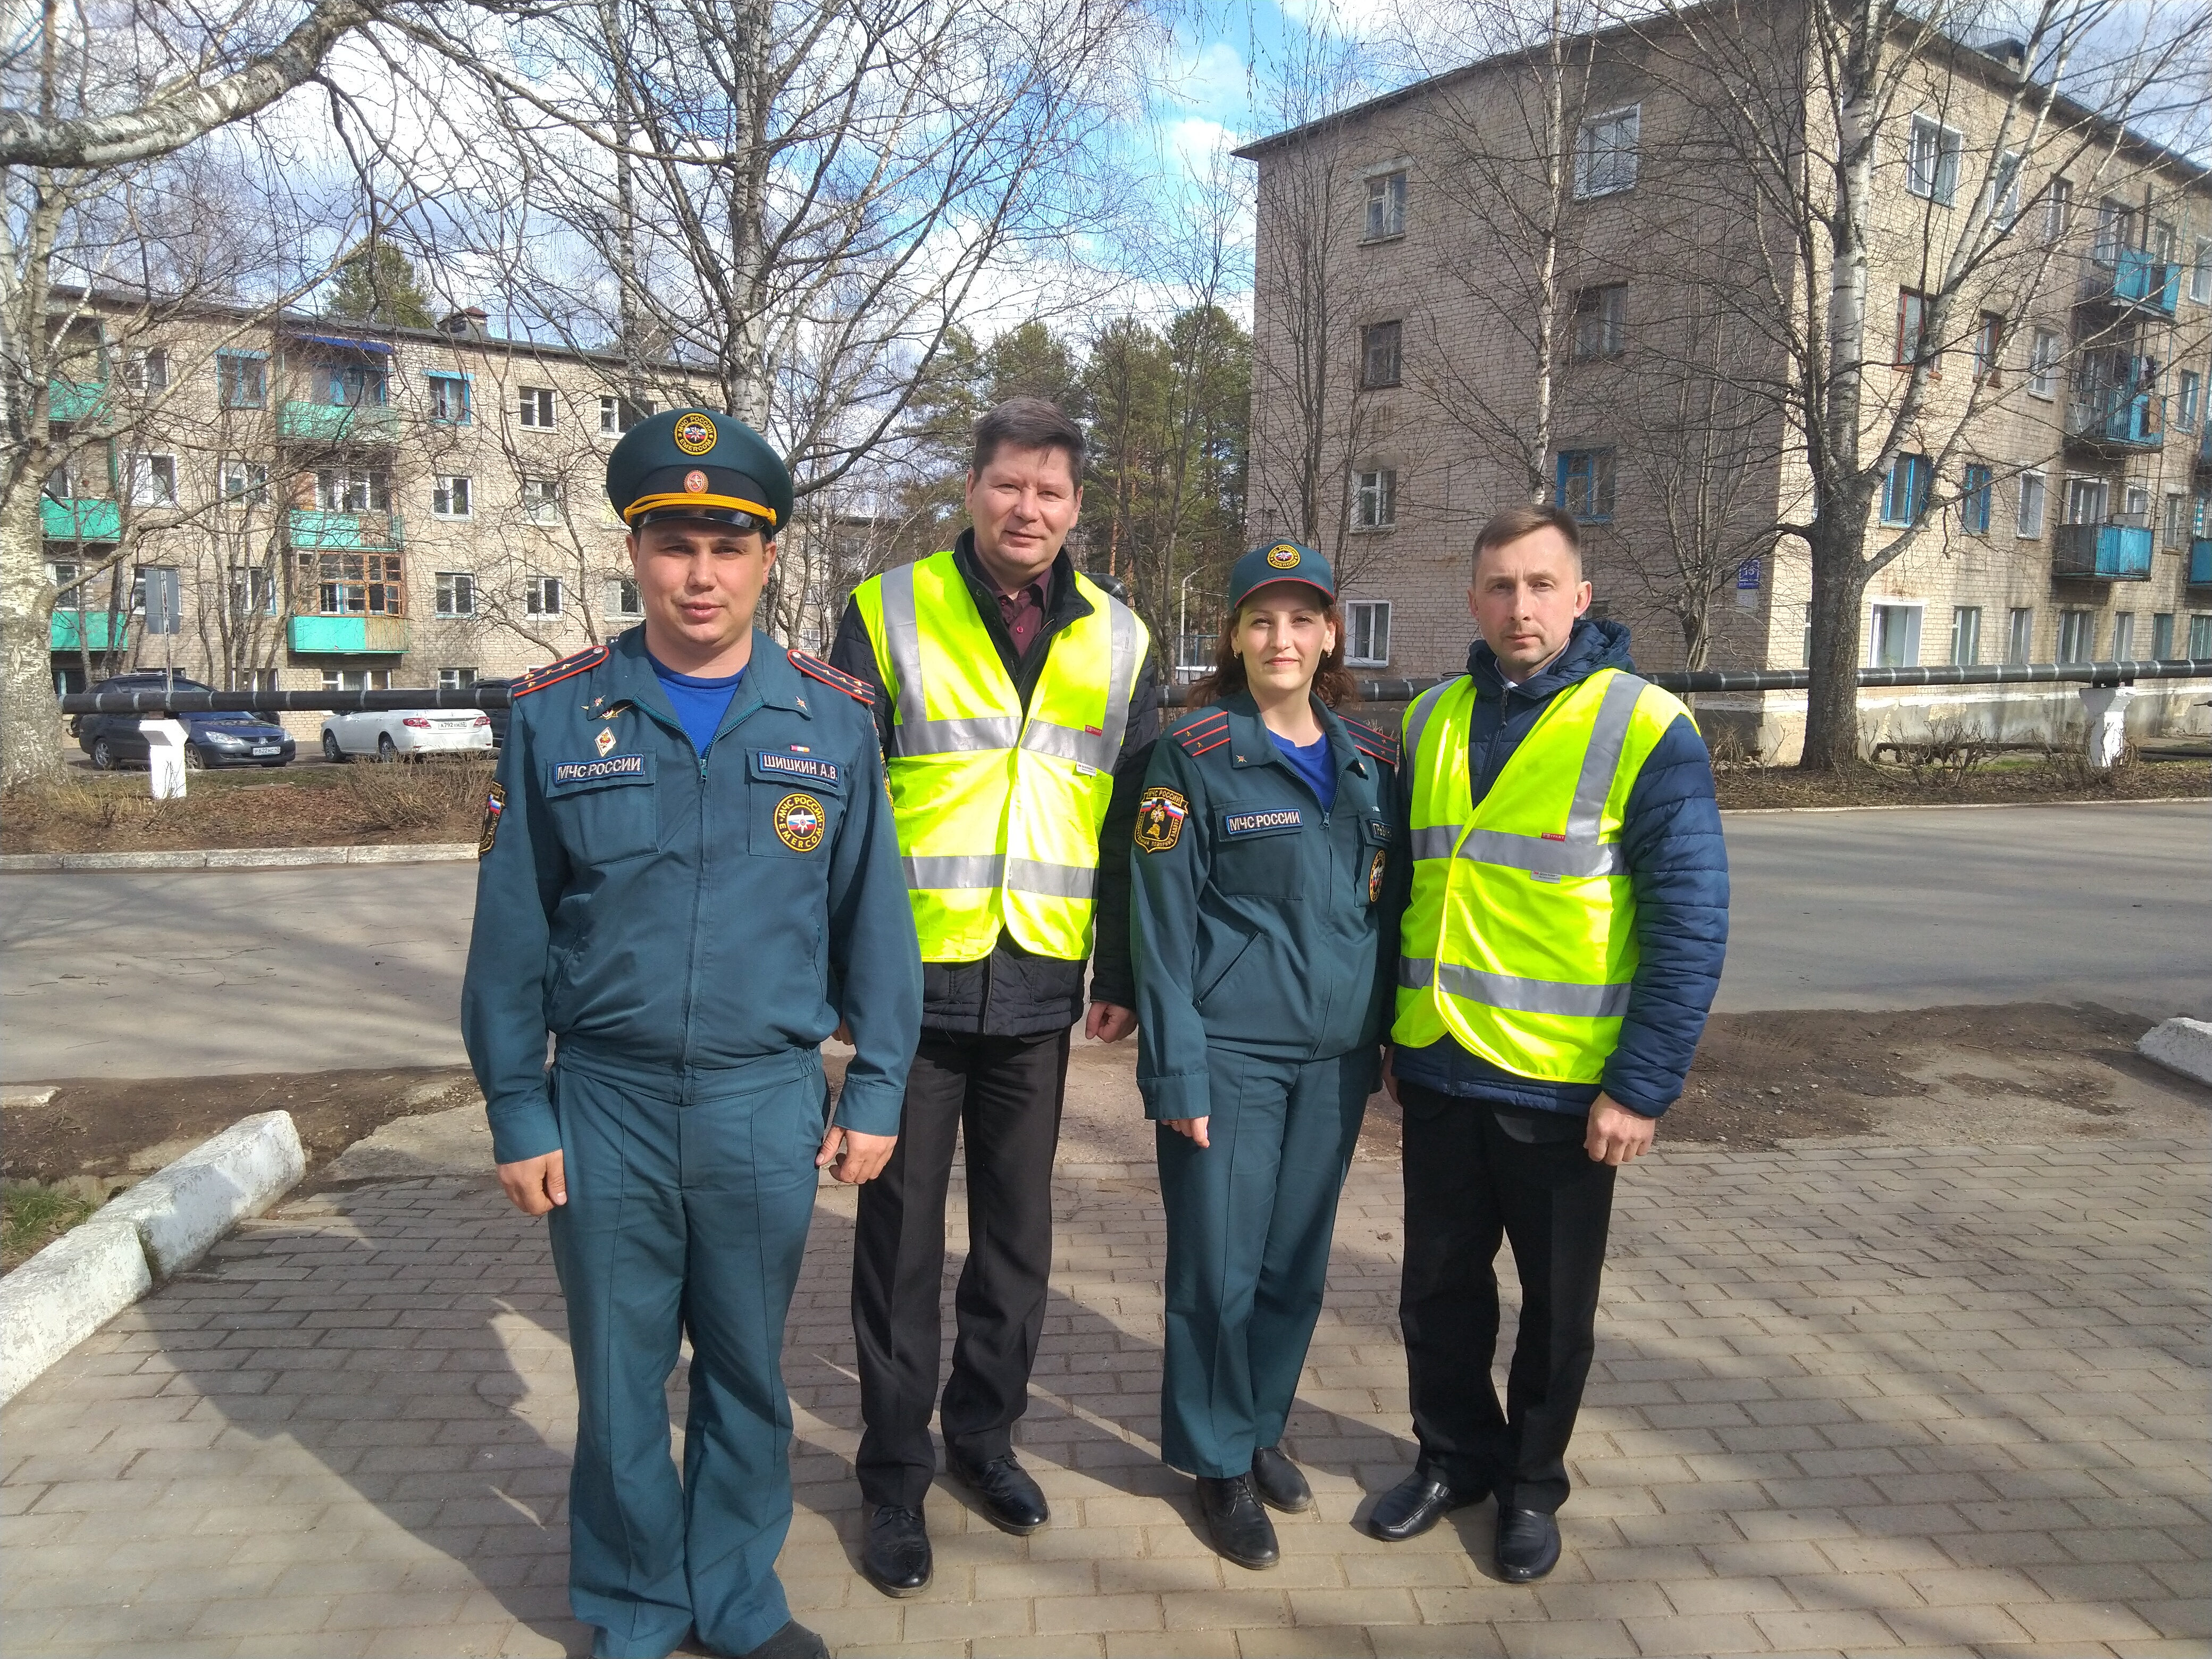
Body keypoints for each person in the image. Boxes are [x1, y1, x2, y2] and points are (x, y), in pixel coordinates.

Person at [462, 409, 923, 1659]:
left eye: (730, 544)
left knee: (744, 1374)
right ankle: (631, 1608)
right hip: (603, 1103)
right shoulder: (556, 715)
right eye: (673, 544)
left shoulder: (832, 721)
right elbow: (508, 936)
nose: (700, 574)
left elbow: (875, 923)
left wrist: (876, 1088)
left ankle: (734, 1599)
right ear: (636, 552)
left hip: (764, 1100)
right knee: (619, 1384)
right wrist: (517, 1107)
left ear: (770, 556)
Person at [827, 397, 1161, 1596]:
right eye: (1009, 485)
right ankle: (890, 1478)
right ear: (971, 488)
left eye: (1052, 492)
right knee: (898, 1250)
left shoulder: (1119, 639)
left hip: (1036, 990)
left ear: (1078, 508)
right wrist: (841, 983)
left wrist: (1116, 972)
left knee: (1017, 1245)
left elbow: (1132, 831)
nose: (1029, 509)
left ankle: (984, 1443)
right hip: (908, 989)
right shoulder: (885, 611)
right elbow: (843, 810)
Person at [1373, 502, 1728, 1583]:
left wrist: (1644, 1085)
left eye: (1539, 586)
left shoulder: (1645, 724)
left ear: (1580, 598)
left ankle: (1530, 1487)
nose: (1517, 607)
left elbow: (1690, 917)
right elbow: (1401, 891)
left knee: (1555, 1310)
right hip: (1438, 1064)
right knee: (1436, 1289)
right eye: (1497, 586)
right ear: (1472, 599)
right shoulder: (1429, 717)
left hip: (1567, 1088)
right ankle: (1452, 1458)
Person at [1129, 541, 1402, 1570]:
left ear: (1330, 633)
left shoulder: (1374, 763)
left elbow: (1390, 916)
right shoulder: (1193, 755)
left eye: (1301, 619)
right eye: (1260, 620)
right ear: (1233, 637)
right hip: (1230, 1056)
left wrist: (1389, 1047)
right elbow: (1159, 931)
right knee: (1217, 1268)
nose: (1280, 639)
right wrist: (1176, 1071)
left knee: (1293, 1269)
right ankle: (1214, 1461)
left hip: (1334, 1061)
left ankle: (1257, 1424)